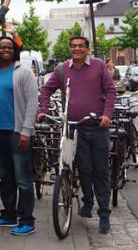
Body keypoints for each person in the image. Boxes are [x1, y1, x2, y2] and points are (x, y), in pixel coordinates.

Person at [39, 35, 116, 233]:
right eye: (73, 46)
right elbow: (46, 90)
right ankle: (87, 202)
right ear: (69, 49)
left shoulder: (98, 66)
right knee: (83, 168)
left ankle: (104, 213)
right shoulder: (63, 69)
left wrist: (107, 114)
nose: (77, 49)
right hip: (74, 127)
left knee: (100, 170)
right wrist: (44, 110)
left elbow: (110, 91)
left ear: (87, 49)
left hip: (98, 127)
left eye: (81, 46)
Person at [0, 37, 39, 235]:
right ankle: (8, 215)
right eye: (1, 47)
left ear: (14, 50)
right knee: (5, 177)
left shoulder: (23, 72)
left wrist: (26, 130)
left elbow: (33, 102)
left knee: (23, 180)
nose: (5, 50)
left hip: (17, 133)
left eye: (9, 47)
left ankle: (27, 220)